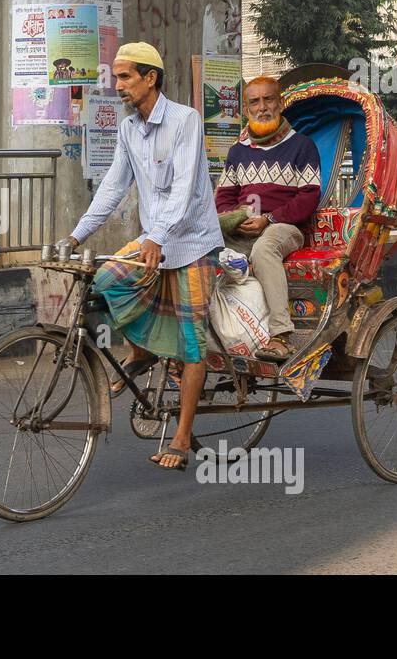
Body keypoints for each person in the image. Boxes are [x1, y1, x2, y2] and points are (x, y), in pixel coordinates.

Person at [59, 42, 223, 471]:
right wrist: (75, 236)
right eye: (116, 77)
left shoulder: (185, 121)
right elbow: (114, 187)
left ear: (151, 78)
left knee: (191, 347)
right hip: (154, 239)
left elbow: (186, 186)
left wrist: (159, 236)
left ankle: (183, 438)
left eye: (125, 76)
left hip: (192, 244)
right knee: (106, 281)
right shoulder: (130, 128)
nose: (118, 86)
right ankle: (143, 350)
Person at [213, 76, 322, 360]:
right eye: (254, 102)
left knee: (264, 249)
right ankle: (197, 335)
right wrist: (232, 218)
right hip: (242, 227)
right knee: (201, 249)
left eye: (268, 99)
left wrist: (269, 219)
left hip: (284, 228)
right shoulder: (238, 152)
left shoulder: (302, 146)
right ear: (246, 110)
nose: (262, 107)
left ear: (281, 103)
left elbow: (309, 197)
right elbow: (224, 196)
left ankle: (281, 335)